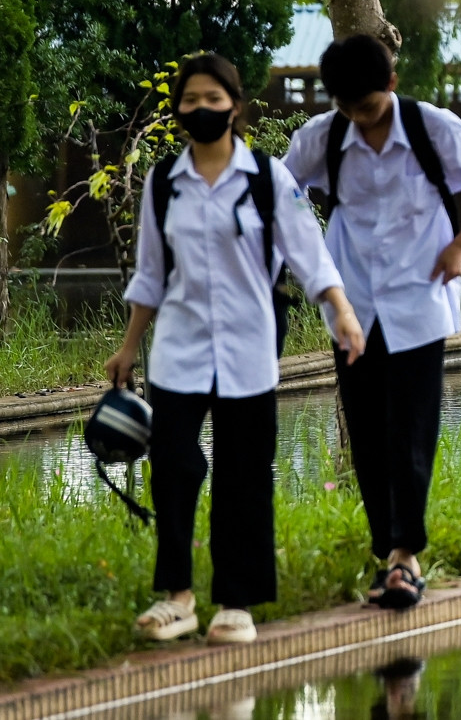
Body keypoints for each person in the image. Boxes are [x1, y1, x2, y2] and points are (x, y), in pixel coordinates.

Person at [104, 54, 365, 644]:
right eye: (190, 100)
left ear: (235, 107)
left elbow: (310, 255)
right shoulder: (163, 183)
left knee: (244, 475)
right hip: (178, 349)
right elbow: (150, 275)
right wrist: (127, 347)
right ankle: (178, 597)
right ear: (179, 110)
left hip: (248, 351)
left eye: (213, 100)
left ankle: (236, 602)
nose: (202, 109)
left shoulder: (268, 179)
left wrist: (342, 312)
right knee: (173, 466)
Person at [284, 34, 461, 609]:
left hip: (420, 299)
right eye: (345, 107)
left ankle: (405, 558)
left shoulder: (429, 127)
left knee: (412, 431)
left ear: (389, 85)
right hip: (352, 306)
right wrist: (309, 258)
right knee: (366, 432)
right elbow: (279, 192)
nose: (358, 119)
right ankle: (381, 551)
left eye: (365, 107)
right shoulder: (324, 136)